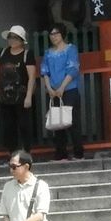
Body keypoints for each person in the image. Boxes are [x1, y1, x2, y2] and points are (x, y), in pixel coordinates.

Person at [0, 25, 39, 157]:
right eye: (10, 37)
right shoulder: (2, 53)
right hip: (5, 96)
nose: (12, 40)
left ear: (21, 40)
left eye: (15, 38)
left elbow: (32, 77)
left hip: (22, 95)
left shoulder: (27, 54)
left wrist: (29, 96)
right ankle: (12, 153)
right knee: (8, 126)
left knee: (24, 125)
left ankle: (26, 151)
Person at [39, 27, 83, 160]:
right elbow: (44, 71)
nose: (53, 36)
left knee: (72, 121)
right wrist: (49, 89)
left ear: (62, 34)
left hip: (69, 89)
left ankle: (78, 153)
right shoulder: (47, 53)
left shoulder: (71, 49)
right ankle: (60, 153)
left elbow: (73, 69)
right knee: (57, 122)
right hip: (53, 91)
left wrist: (62, 87)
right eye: (51, 34)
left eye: (56, 33)